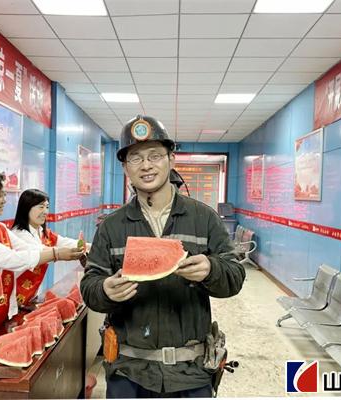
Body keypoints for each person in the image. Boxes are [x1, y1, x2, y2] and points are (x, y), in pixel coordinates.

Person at [80, 115, 246, 398]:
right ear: (125, 167)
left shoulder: (204, 218)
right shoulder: (111, 226)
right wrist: (104, 289)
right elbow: (90, 285)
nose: (146, 165)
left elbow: (235, 276)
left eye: (155, 155)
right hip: (128, 372)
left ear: (171, 159)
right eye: (135, 158)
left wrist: (212, 269)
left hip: (190, 372)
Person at [0, 170, 83, 343]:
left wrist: (65, 252)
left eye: (4, 194)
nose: (4, 200)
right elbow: (13, 259)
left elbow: (29, 248)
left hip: (0, 310)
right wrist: (56, 254)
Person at [11, 188, 89, 305]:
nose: (45, 212)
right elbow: (39, 251)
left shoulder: (42, 232)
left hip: (29, 295)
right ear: (26, 208)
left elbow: (63, 241)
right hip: (13, 297)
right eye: (41, 207)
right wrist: (61, 253)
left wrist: (91, 246)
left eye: (47, 207)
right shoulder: (19, 234)